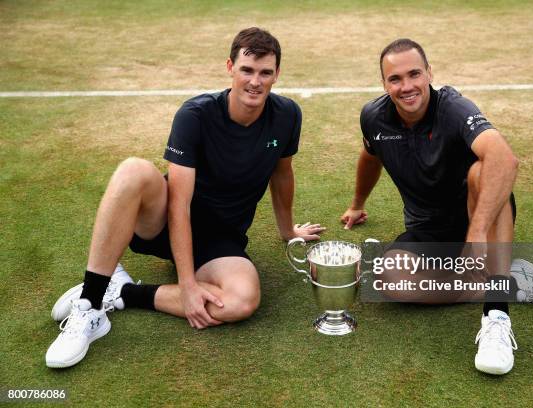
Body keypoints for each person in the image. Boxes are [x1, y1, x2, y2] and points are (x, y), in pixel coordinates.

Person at [46, 27, 325, 368]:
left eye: (266, 72)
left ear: (277, 74)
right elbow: (179, 204)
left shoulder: (287, 115)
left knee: (242, 302)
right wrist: (187, 284)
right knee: (133, 170)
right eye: (247, 70)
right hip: (165, 222)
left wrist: (288, 231)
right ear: (230, 68)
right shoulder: (195, 115)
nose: (256, 81)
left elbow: (282, 173)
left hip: (221, 238)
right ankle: (88, 305)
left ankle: (120, 293)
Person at [341, 38, 533, 375]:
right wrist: (357, 204)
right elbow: (370, 155)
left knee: (483, 169)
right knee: (388, 279)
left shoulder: (454, 108)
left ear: (429, 74)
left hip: (479, 213)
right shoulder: (374, 117)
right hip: (427, 227)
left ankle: (497, 314)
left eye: (414, 74)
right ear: (383, 83)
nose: (406, 86)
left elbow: (505, 160)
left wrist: (477, 231)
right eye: (395, 79)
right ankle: (511, 281)